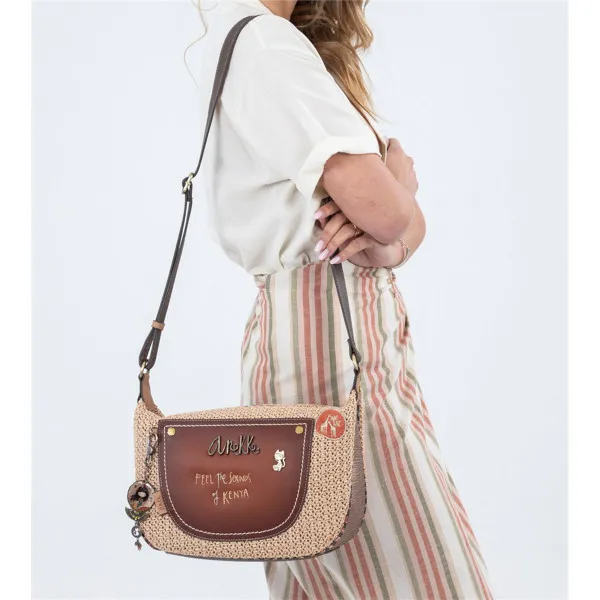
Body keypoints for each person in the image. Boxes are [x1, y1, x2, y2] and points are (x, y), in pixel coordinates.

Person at [194, 0, 494, 598]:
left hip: (311, 343)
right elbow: (387, 210)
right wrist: (400, 189)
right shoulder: (266, 44)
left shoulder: (255, 41)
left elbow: (393, 230)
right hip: (331, 352)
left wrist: (392, 235)